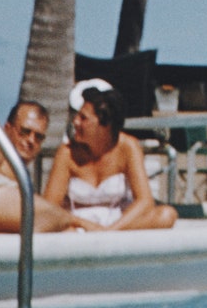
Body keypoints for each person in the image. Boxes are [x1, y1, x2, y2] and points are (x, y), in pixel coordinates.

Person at [43, 83, 176, 231]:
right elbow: (50, 206)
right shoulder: (67, 152)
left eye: (83, 118)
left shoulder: (128, 146)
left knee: (167, 215)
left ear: (104, 125)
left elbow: (145, 201)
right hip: (77, 223)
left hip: (117, 222)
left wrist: (110, 231)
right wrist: (83, 224)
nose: (75, 122)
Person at [0, 99, 80, 234]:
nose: (31, 140)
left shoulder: (20, 173)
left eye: (38, 137)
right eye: (25, 131)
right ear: (8, 128)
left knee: (66, 228)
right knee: (57, 218)